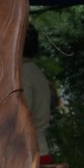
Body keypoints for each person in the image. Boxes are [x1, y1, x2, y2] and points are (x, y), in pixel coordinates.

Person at [20, 24, 52, 157]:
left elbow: (21, 117)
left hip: (27, 153)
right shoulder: (34, 70)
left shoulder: (22, 73)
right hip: (37, 149)